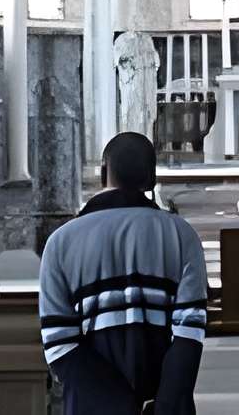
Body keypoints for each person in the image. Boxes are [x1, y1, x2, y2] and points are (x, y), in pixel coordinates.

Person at [37, 131, 209, 415]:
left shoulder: (60, 242)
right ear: (152, 179)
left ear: (103, 172)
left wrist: (122, 406)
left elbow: (59, 343)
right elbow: (189, 332)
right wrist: (162, 406)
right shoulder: (181, 235)